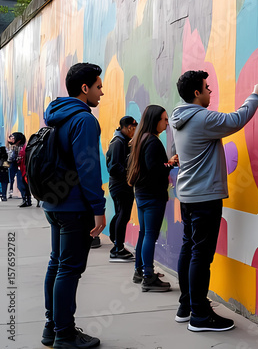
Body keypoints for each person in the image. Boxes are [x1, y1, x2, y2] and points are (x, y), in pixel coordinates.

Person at [170, 70, 258, 332]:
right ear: (196, 93)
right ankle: (200, 316)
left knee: (189, 249)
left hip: (189, 195)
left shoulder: (179, 117)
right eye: (207, 87)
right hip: (205, 198)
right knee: (201, 255)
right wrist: (256, 94)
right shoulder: (201, 118)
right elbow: (237, 119)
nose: (210, 91)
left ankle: (187, 306)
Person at [41, 63, 106, 349]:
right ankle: (65, 335)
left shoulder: (56, 115)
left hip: (53, 204)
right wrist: (98, 208)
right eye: (98, 86)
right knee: (69, 268)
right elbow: (88, 167)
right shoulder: (84, 120)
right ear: (85, 88)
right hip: (74, 206)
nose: (102, 92)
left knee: (57, 264)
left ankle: (52, 327)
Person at [127, 105, 178, 292]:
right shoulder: (153, 142)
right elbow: (155, 169)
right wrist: (170, 165)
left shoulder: (140, 139)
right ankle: (148, 276)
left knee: (144, 233)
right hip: (152, 195)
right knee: (150, 234)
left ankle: (140, 271)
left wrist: (167, 163)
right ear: (154, 120)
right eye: (164, 119)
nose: (166, 123)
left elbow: (151, 166)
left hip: (142, 194)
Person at [106, 116, 137, 262]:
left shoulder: (121, 141)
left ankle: (117, 245)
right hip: (120, 185)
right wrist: (128, 173)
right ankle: (118, 248)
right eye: (134, 129)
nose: (135, 132)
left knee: (121, 214)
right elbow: (114, 168)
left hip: (120, 185)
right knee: (122, 215)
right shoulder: (118, 142)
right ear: (129, 127)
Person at [6, 132, 27, 202]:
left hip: (21, 166)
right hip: (15, 165)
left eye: (13, 138)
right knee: (14, 180)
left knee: (21, 183)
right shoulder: (14, 147)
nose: (11, 139)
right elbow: (10, 158)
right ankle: (25, 199)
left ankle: (26, 199)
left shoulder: (23, 148)